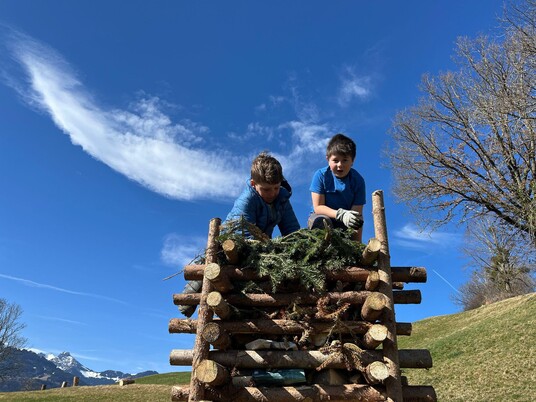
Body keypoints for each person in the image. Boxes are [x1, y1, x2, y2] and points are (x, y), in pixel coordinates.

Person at [179, 152, 300, 317]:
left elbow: (292, 230)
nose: (272, 193)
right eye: (266, 189)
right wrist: (268, 250)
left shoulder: (282, 199)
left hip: (261, 243)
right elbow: (244, 235)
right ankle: (188, 298)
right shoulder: (247, 200)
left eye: (276, 188)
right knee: (216, 262)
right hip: (234, 241)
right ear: (254, 184)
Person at [308, 133, 366, 242]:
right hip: (322, 217)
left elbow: (357, 213)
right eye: (335, 160)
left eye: (345, 160)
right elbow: (318, 207)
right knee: (322, 220)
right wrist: (340, 214)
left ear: (352, 161)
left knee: (357, 220)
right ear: (328, 159)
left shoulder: (358, 181)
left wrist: (357, 243)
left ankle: (354, 248)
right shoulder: (321, 176)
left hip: (345, 223)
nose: (340, 164)